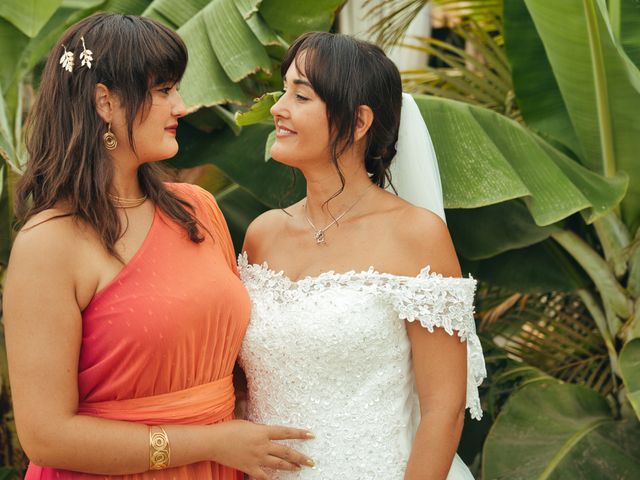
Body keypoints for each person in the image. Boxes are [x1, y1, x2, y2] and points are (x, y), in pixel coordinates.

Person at [3, 13, 314, 480]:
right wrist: (210, 443)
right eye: (164, 90)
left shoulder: (197, 210)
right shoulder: (49, 242)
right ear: (105, 102)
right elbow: (47, 436)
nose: (182, 106)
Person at [238, 32, 486, 479]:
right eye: (284, 91)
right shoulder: (262, 234)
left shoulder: (417, 235)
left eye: (301, 95)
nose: (277, 108)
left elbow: (442, 410)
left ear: (357, 121)